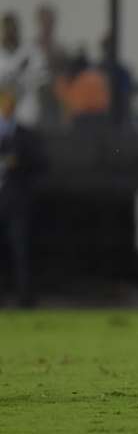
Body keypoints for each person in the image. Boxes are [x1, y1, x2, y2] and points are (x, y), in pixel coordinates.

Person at [0, 83, 45, 307]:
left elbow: (40, 165)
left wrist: (19, 164)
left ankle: (25, 299)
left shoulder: (25, 135)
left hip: (17, 202)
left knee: (21, 252)